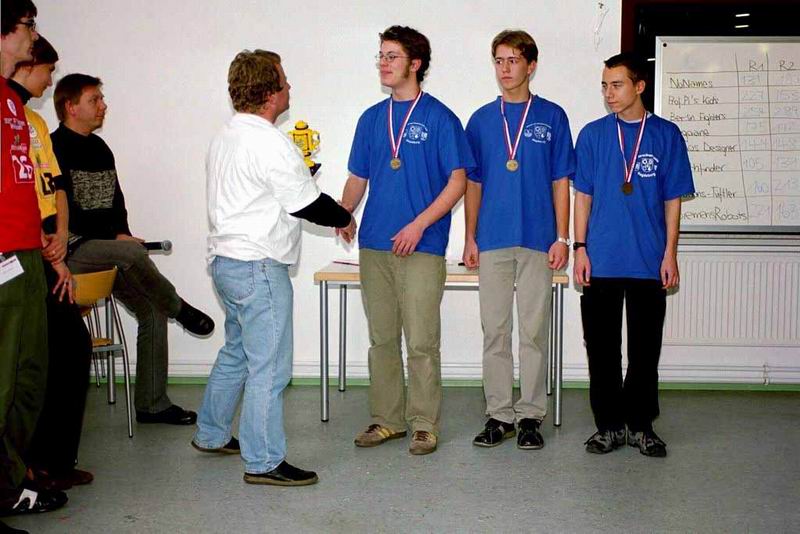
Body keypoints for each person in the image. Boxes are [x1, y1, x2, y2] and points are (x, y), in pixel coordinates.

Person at [194, 49, 354, 486]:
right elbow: (305, 203)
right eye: (284, 82)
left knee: (237, 352)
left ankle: (210, 433)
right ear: (270, 94)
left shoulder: (226, 135)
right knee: (269, 366)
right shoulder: (269, 141)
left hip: (226, 263)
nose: (290, 88)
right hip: (258, 267)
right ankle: (263, 461)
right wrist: (343, 216)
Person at [340, 25, 474, 456]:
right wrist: (343, 212)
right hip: (375, 244)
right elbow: (358, 176)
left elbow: (457, 182)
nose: (383, 63)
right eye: (380, 55)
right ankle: (387, 419)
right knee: (381, 339)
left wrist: (419, 225)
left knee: (420, 341)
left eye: (392, 56)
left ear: (415, 64)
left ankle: (423, 424)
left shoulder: (440, 118)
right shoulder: (370, 119)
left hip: (422, 245)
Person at [50, 73, 214, 425]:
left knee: (152, 310)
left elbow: (115, 201)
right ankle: (180, 307)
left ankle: (152, 405)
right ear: (71, 107)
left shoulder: (100, 148)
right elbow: (60, 212)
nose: (103, 106)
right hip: (72, 252)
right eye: (94, 100)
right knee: (133, 254)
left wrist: (121, 233)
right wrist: (118, 241)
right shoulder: (53, 149)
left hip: (107, 250)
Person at [573, 52, 694, 457]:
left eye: (617, 85)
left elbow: (673, 199)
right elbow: (583, 197)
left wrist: (670, 254)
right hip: (601, 259)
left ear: (639, 86)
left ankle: (641, 426)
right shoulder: (592, 135)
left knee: (645, 349)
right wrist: (580, 248)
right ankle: (609, 426)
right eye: (604, 85)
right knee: (601, 349)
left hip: (648, 260)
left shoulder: (666, 135)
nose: (609, 93)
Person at [463, 30, 574, 450]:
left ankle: (530, 415)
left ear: (531, 65)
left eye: (513, 60)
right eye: (499, 60)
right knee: (495, 331)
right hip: (492, 239)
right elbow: (473, 183)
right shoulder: (480, 120)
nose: (505, 69)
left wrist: (562, 237)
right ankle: (498, 415)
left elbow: (560, 181)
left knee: (533, 332)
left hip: (538, 239)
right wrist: (470, 237)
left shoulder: (552, 116)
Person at [9, 34, 94, 492]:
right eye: (48, 70)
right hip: (22, 248)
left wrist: (60, 235)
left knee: (69, 349)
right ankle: (28, 465)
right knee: (33, 360)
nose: (50, 80)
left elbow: (55, 185)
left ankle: (55, 460)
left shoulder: (36, 122)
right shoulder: (10, 115)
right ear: (27, 65)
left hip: (44, 243)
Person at [0, 0, 68, 519]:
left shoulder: (12, 104)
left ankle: (13, 477)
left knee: (29, 375)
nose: (34, 35)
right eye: (27, 25)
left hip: (24, 252)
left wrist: (45, 242)